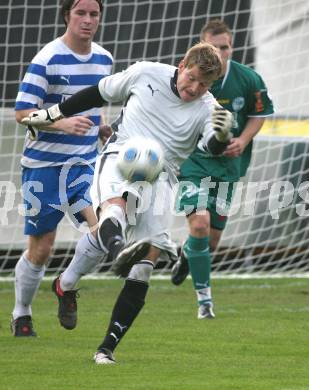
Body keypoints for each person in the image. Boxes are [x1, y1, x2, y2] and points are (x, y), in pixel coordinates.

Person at [22, 42, 233, 363]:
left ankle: (104, 346)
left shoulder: (210, 109)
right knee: (115, 208)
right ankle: (118, 249)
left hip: (162, 177)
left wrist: (223, 135)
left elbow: (213, 146)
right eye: (191, 78)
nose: (194, 88)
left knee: (144, 264)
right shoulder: (145, 72)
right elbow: (98, 93)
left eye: (203, 84)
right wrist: (50, 115)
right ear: (181, 64)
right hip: (121, 155)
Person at [11, 0, 113, 337]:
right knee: (42, 249)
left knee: (103, 231)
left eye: (93, 14)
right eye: (80, 13)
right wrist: (62, 123)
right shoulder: (47, 59)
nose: (87, 20)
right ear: (66, 15)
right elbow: (24, 114)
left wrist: (101, 128)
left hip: (83, 163)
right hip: (43, 166)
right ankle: (22, 312)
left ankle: (66, 284)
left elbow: (95, 108)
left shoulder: (104, 59)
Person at [171, 19, 274, 319]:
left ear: (232, 47)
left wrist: (242, 139)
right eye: (213, 47)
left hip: (229, 167)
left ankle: (187, 254)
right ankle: (205, 302)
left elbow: (260, 114)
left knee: (211, 239)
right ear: (201, 48)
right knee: (199, 225)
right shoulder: (189, 79)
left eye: (225, 47)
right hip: (194, 162)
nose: (220, 52)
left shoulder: (249, 79)